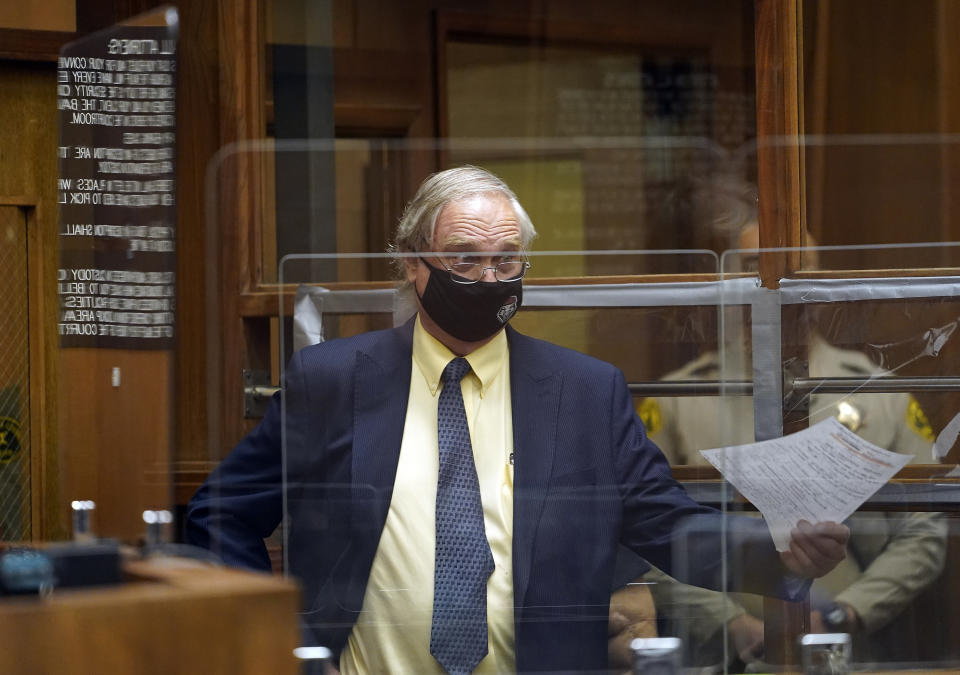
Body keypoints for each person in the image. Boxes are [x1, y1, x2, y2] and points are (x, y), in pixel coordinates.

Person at [186, 166, 849, 673]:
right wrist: (281, 644)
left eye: (506, 259)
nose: (489, 275)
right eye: (465, 259)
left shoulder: (586, 392)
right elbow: (218, 516)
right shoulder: (333, 382)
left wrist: (775, 550)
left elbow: (668, 523)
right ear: (414, 264)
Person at [631, 182, 946, 667]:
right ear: (732, 283)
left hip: (847, 651)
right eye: (754, 270)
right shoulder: (679, 398)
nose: (776, 288)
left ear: (823, 287)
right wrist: (728, 622)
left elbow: (924, 532)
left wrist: (845, 614)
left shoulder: (880, 393)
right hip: (719, 653)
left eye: (797, 274)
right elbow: (646, 532)